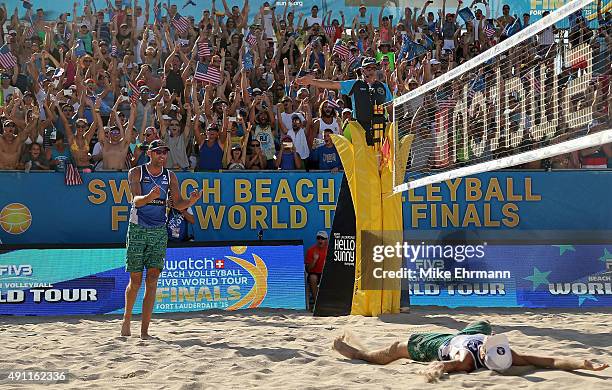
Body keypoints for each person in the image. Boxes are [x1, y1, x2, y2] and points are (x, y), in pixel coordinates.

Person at [332, 320, 609, 382]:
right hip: (461, 336)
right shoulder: (506, 353)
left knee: (394, 350)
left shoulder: (465, 362)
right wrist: (584, 363)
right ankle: (357, 352)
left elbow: (444, 366)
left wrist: (434, 369)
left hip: (436, 345)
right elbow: (551, 360)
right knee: (483, 323)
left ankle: (354, 352)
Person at [122, 139, 202, 339]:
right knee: (135, 280)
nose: (162, 156)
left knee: (153, 278)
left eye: (165, 153)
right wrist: (150, 197)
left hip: (159, 230)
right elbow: (136, 200)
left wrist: (190, 201)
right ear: (149, 153)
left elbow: (177, 204)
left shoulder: (170, 176)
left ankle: (145, 331)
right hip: (138, 228)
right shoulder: (136, 172)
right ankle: (126, 319)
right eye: (158, 152)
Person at [296, 57, 392, 147]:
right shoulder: (355, 84)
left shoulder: (383, 87)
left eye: (374, 68)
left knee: (381, 162)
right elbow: (332, 84)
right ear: (362, 70)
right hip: (360, 131)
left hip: (380, 130)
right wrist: (312, 81)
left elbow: (391, 110)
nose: (371, 70)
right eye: (368, 68)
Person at [304, 230, 328, 307]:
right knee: (313, 278)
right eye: (318, 238)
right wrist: (314, 260)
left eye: (322, 238)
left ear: (326, 240)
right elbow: (308, 269)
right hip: (315, 273)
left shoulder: (330, 250)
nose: (320, 240)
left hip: (327, 273)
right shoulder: (311, 250)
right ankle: (317, 302)